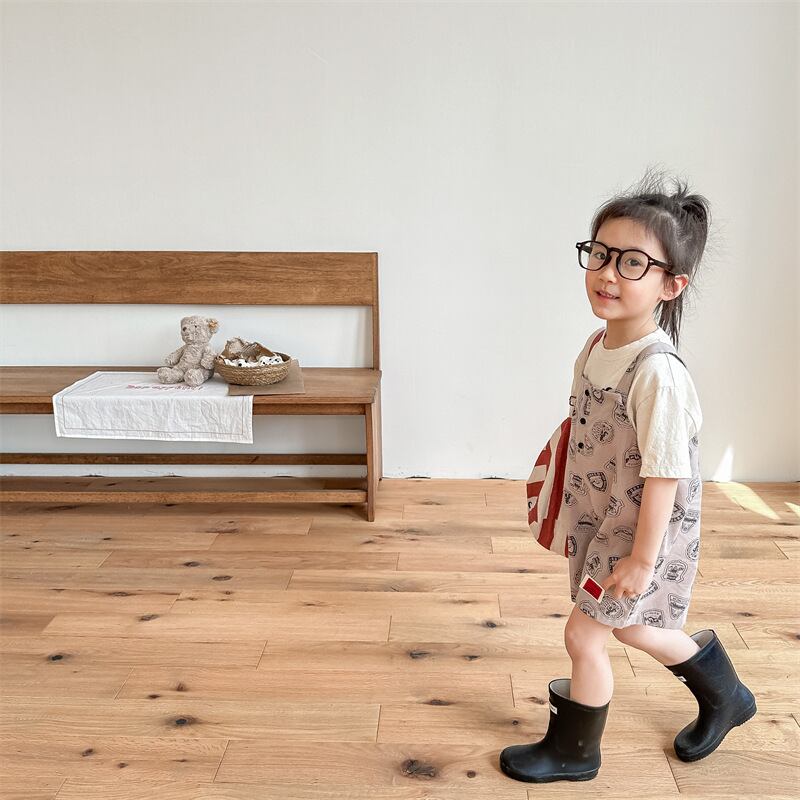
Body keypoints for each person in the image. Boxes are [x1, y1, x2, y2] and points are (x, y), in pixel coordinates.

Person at [499, 169, 756, 783]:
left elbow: (664, 474)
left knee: (585, 636)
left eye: (633, 263)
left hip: (641, 533)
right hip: (604, 518)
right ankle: (726, 696)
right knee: (637, 628)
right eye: (600, 254)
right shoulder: (597, 347)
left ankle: (575, 753)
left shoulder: (658, 375)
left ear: (672, 284)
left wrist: (642, 560)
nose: (608, 273)